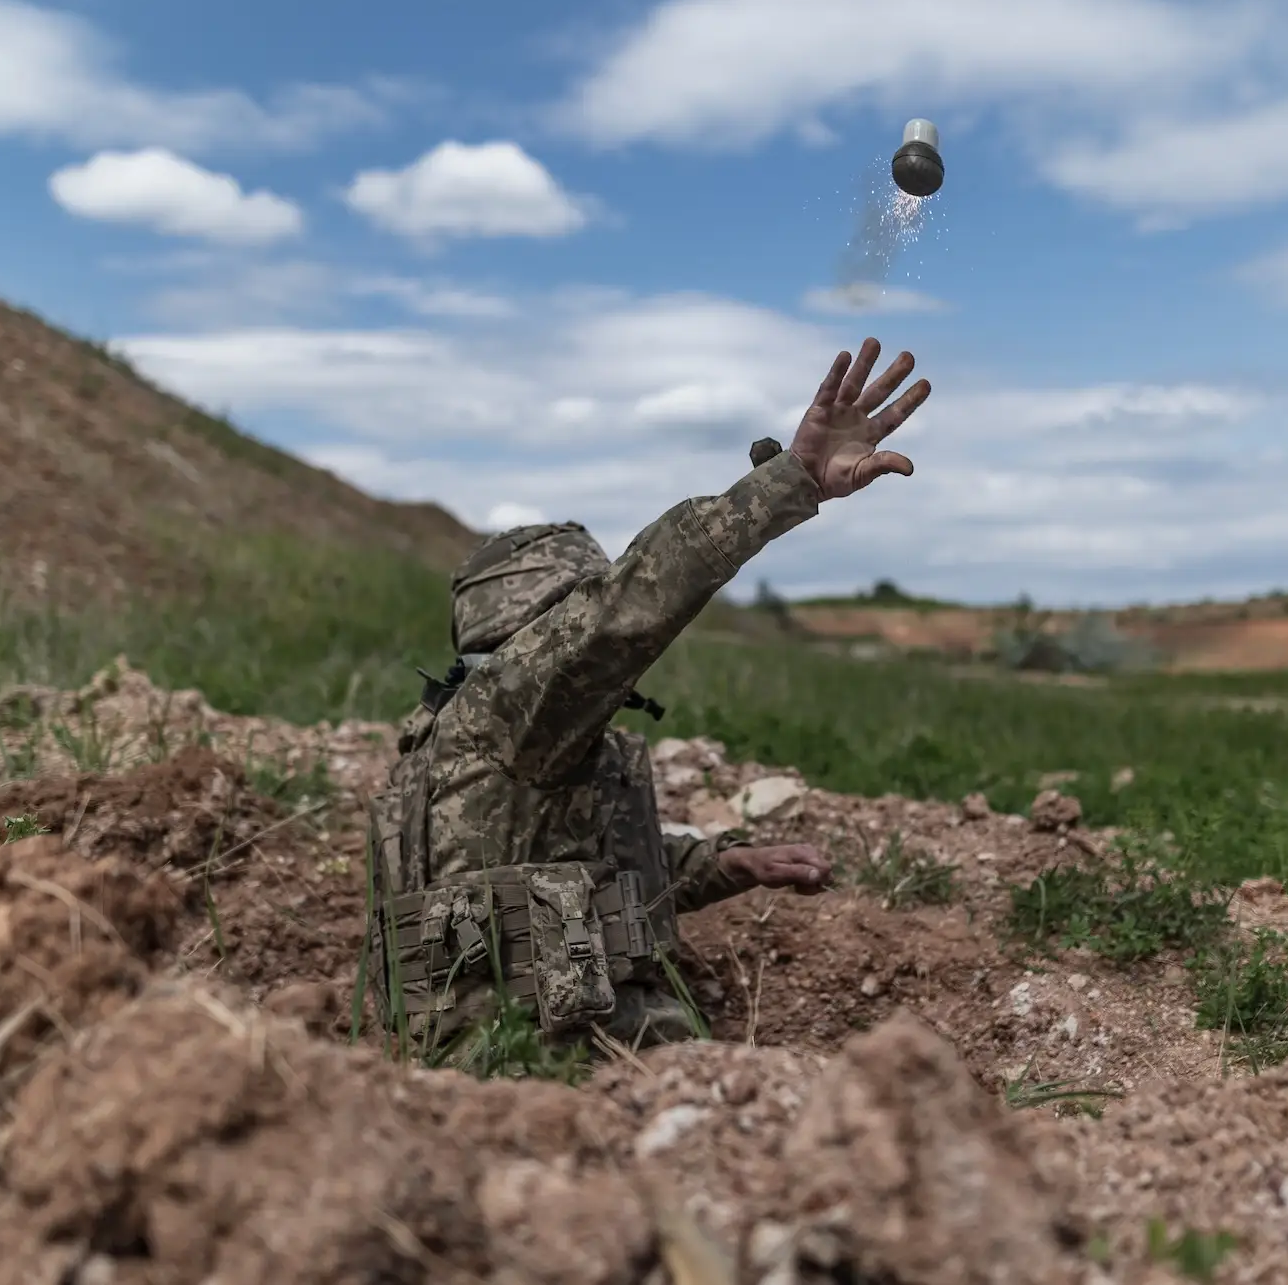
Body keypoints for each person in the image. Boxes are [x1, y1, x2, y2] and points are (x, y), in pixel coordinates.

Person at [366, 337, 932, 1055]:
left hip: (508, 1061)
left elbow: (568, 867)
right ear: (544, 629)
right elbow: (632, 603)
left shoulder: (471, 744)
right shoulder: (511, 708)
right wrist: (793, 480)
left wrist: (729, 864)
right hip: (552, 1064)